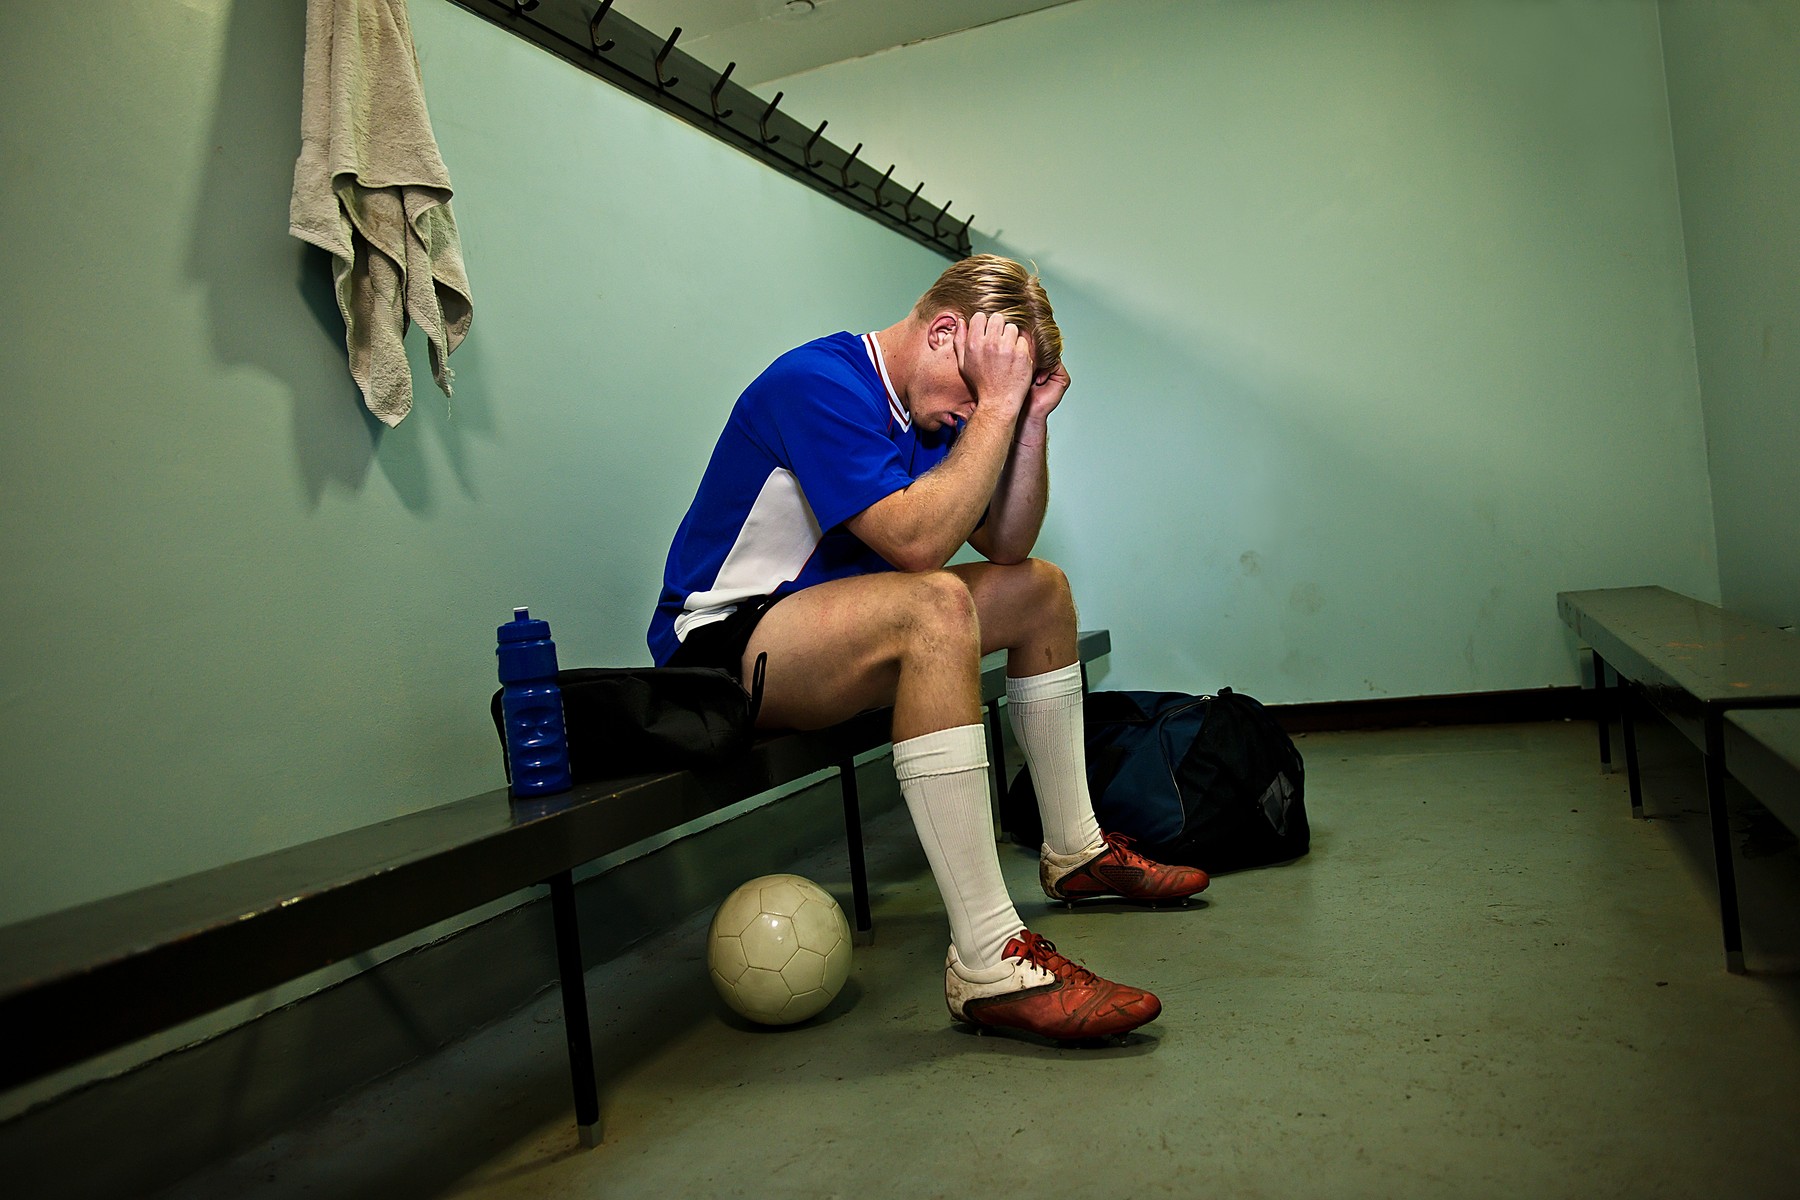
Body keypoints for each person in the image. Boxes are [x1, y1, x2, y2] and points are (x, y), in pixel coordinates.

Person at [649, 254, 1206, 1042]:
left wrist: (1026, 420)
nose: (977, 415)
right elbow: (916, 544)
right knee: (934, 601)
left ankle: (1075, 850)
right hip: (722, 650)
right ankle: (988, 960)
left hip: (832, 630)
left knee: (1039, 588)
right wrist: (994, 410)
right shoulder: (818, 383)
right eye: (978, 392)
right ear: (946, 331)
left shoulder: (929, 412)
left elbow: (1008, 541)